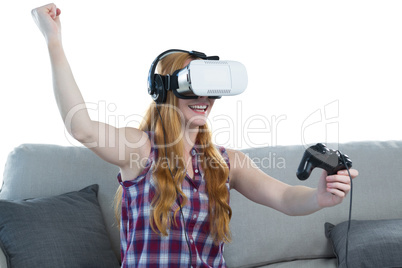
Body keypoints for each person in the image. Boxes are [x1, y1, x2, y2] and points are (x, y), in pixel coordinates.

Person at [31, 3, 359, 268]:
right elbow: (81, 127)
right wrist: (53, 41)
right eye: (193, 87)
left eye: (210, 90)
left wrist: (319, 198)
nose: (204, 99)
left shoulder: (228, 162)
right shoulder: (140, 148)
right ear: (164, 91)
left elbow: (286, 198)